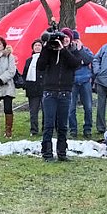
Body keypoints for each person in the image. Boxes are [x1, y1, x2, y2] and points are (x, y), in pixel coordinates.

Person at [37, 29, 80, 161]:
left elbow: (75, 64)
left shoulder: (73, 51)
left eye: (68, 37)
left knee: (63, 125)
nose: (66, 39)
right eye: (64, 37)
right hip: (50, 92)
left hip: (65, 93)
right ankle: (47, 153)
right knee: (49, 124)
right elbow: (40, 66)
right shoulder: (50, 51)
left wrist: (63, 50)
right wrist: (45, 48)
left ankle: (62, 152)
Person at [68, 30, 94, 138]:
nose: (74, 42)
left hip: (85, 81)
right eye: (73, 40)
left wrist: (80, 50)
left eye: (76, 40)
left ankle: (87, 129)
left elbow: (89, 59)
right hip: (72, 82)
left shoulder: (85, 49)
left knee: (88, 107)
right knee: (71, 108)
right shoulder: (68, 51)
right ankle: (73, 129)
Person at [22, 39, 44, 136]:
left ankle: (45, 129)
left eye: (39, 45)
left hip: (43, 87)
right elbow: (25, 74)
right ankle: (34, 130)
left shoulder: (45, 59)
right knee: (33, 111)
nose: (37, 47)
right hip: (32, 88)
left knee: (46, 111)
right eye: (35, 45)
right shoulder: (29, 60)